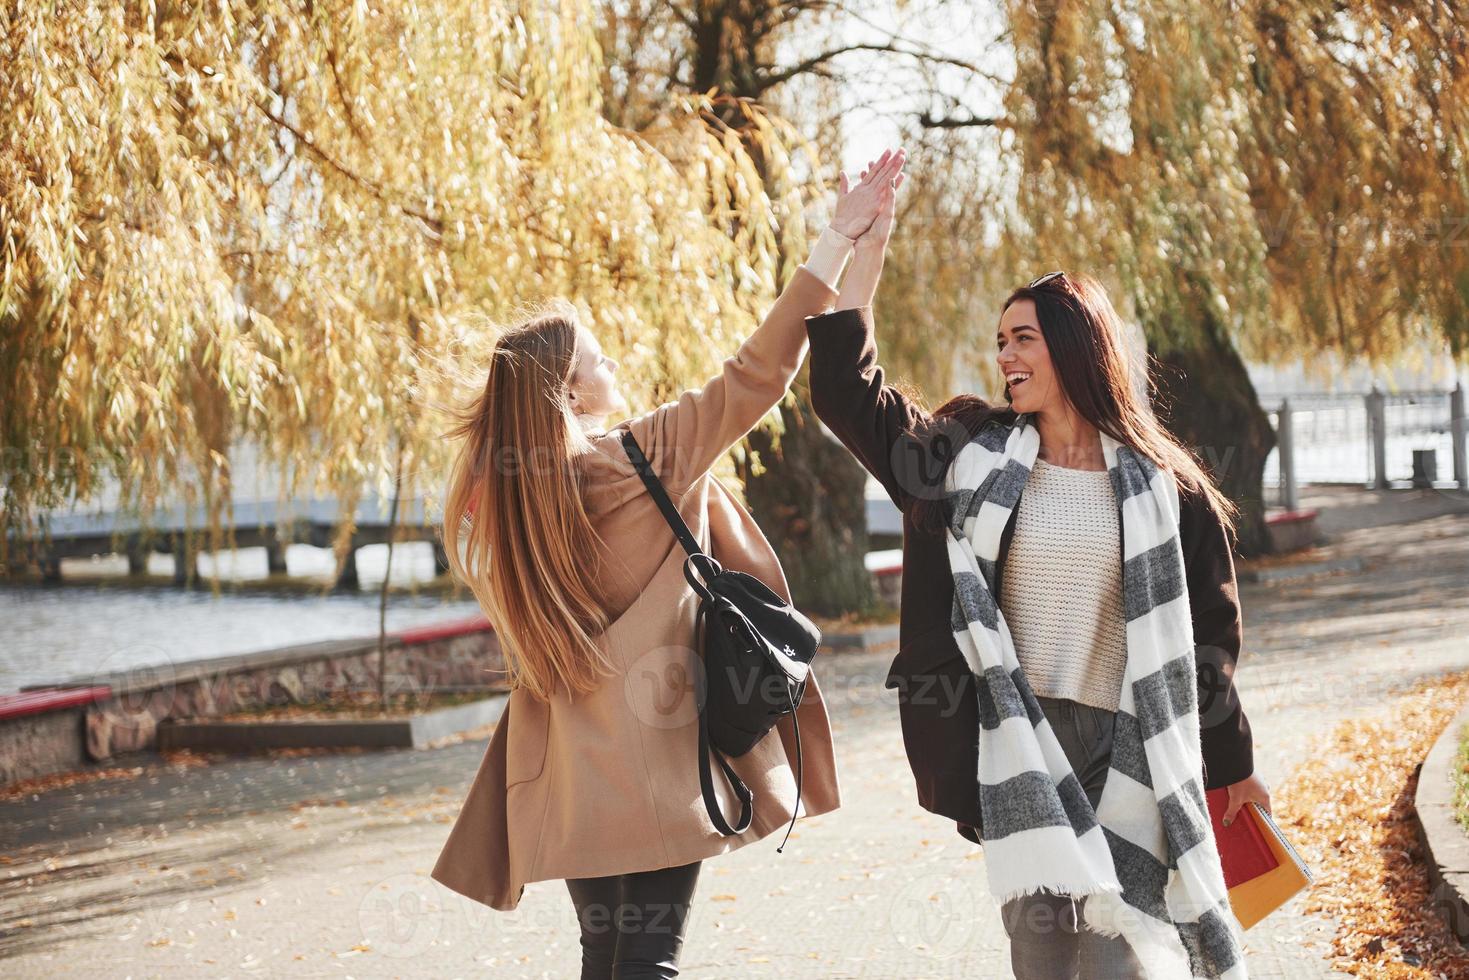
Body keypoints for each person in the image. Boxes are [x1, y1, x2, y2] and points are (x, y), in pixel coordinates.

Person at [429, 149, 910, 979]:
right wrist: (836, 240)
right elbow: (758, 373)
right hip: (657, 753)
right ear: (569, 395)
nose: (614, 366)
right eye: (598, 361)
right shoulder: (637, 459)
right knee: (648, 963)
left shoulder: (504, 508)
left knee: (606, 956)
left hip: (571, 776)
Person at [805, 155, 1268, 979]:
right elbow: (849, 395)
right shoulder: (968, 457)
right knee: (1044, 952)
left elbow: (1207, 642)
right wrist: (859, 246)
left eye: (1023, 339)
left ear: (1074, 347)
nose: (1005, 355)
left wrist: (1235, 769)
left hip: (1128, 743)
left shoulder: (1167, 490)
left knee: (1120, 953)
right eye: (999, 342)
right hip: (1020, 737)